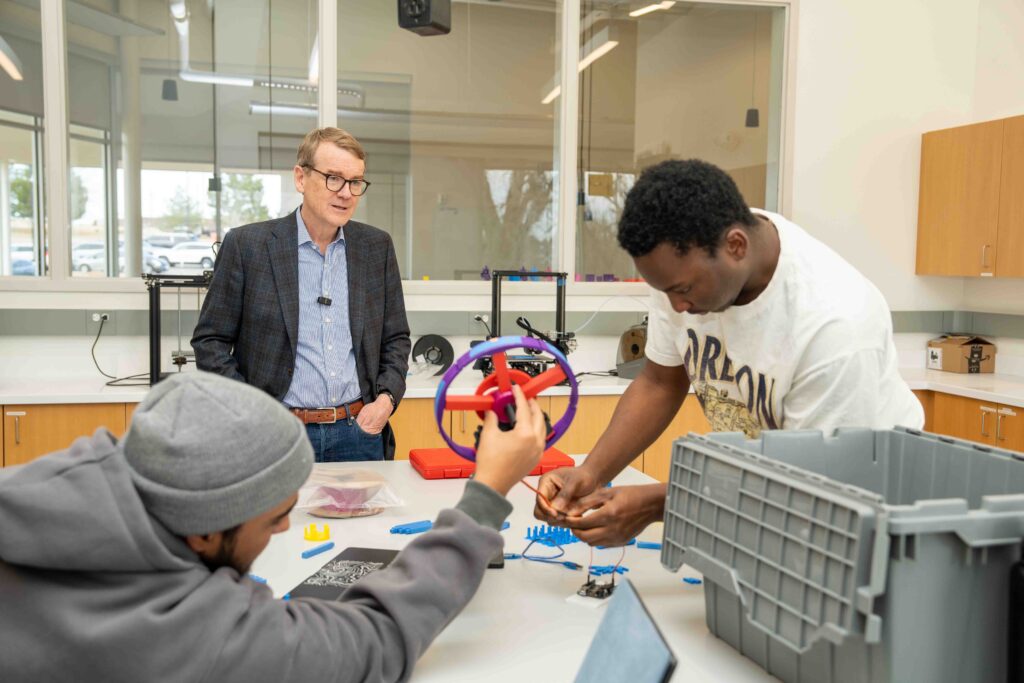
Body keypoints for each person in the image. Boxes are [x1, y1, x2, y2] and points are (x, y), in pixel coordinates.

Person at [0, 372, 547, 682]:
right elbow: (375, 640)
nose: (285, 530)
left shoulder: (33, 494)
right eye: (276, 516)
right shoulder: (203, 637)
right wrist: (487, 494)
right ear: (202, 533)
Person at [535, 159, 924, 546]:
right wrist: (591, 473)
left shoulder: (834, 325)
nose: (676, 308)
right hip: (762, 498)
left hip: (860, 513)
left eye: (683, 290)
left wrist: (657, 505)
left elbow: (809, 487)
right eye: (664, 290)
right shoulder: (682, 258)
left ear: (735, 246)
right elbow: (659, 382)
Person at [192, 127, 410, 463]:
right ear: (300, 177)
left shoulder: (376, 247)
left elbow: (396, 338)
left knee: (369, 519)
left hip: (358, 433)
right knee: (277, 519)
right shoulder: (249, 246)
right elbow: (210, 342)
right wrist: (253, 411)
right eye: (333, 178)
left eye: (355, 182)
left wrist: (385, 401)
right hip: (276, 435)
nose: (346, 193)